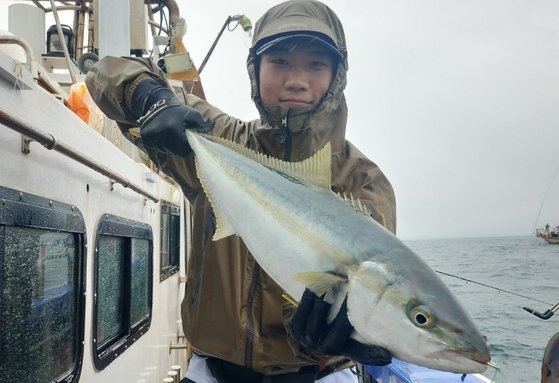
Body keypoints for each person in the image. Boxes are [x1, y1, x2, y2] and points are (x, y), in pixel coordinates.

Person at [86, 1, 397, 382]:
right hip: (213, 373)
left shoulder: (362, 182)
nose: (297, 80)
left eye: (316, 64)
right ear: (256, 69)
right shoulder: (221, 139)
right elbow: (106, 73)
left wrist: (320, 337)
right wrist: (153, 99)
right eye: (279, 62)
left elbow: (368, 290)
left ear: (337, 74)